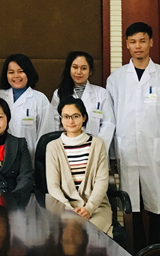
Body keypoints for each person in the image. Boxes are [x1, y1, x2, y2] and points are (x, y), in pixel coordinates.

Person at [106, 22, 160, 256]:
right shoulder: (116, 79)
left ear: (151, 42)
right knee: (133, 210)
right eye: (133, 41)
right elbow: (110, 120)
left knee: (158, 208)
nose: (137, 46)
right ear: (127, 44)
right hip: (126, 152)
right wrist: (111, 156)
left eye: (142, 40)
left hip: (157, 154)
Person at [45, 97, 112, 236]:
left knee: (91, 234)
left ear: (84, 117)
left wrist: (89, 208)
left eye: (75, 116)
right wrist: (69, 209)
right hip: (63, 207)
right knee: (69, 234)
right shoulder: (53, 147)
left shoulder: (97, 144)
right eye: (66, 116)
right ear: (61, 119)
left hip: (96, 207)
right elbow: (53, 186)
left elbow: (101, 182)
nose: (70, 121)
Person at [50, 51, 116, 151]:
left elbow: (108, 123)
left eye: (84, 68)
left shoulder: (102, 93)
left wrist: (97, 148)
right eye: (75, 67)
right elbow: (55, 124)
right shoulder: (59, 93)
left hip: (95, 149)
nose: (79, 72)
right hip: (67, 149)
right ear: (69, 69)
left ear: (90, 71)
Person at [0, 54, 54, 162]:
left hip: (30, 159)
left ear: (28, 73)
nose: (16, 76)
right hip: (0, 158)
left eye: (21, 71)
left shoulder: (40, 99)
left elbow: (46, 133)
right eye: (11, 72)